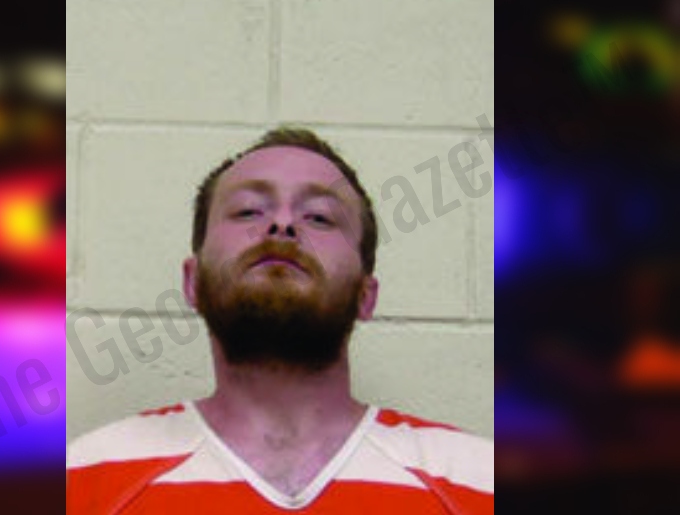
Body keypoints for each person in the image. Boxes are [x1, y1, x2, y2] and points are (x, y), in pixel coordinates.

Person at [67, 128, 494, 514]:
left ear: (366, 296)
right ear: (192, 282)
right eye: (248, 211)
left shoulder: (477, 481)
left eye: (320, 217)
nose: (282, 223)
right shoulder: (85, 480)